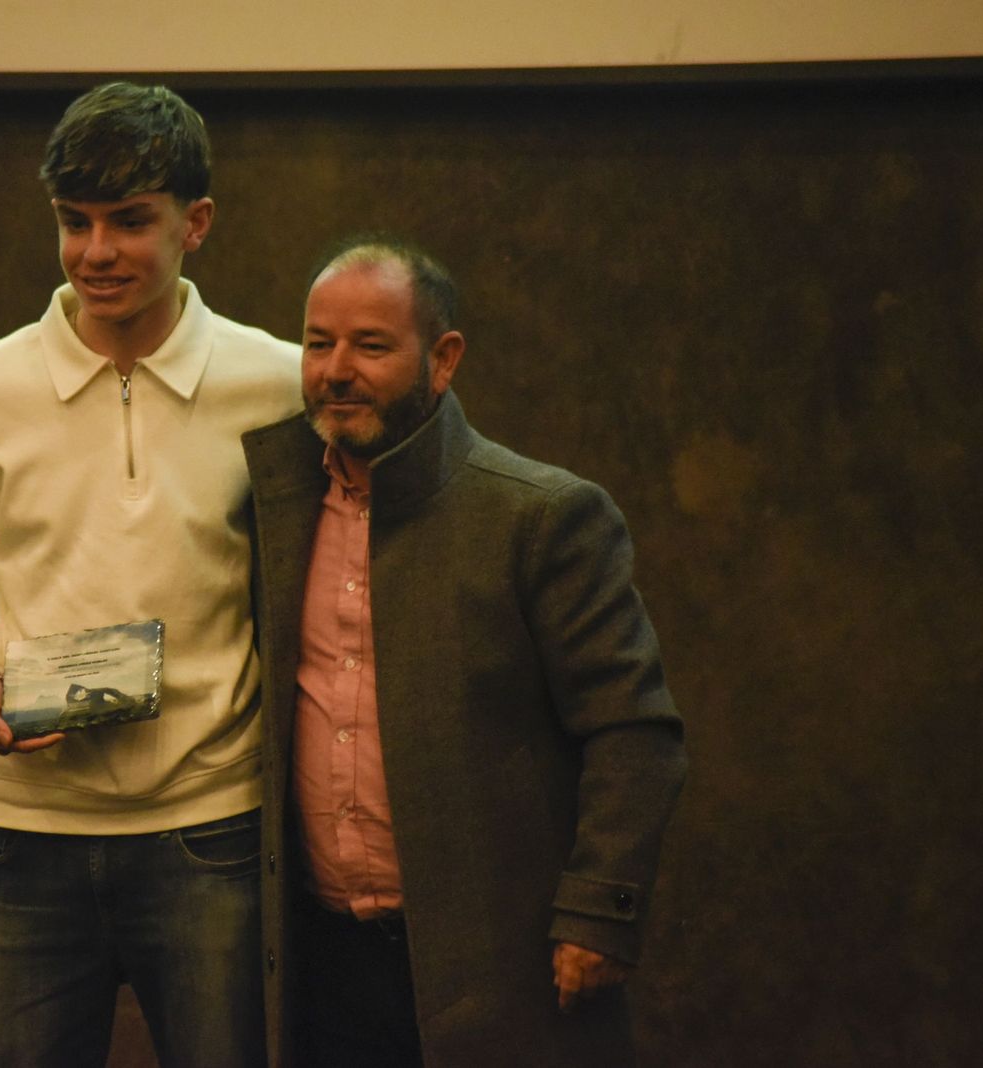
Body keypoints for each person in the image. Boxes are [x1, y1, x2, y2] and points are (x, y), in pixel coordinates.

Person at [0, 82, 300, 1068]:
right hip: (31, 836)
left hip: (213, 830)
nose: (96, 251)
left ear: (195, 223)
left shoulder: (278, 383)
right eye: (74, 222)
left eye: (129, 221)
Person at [241, 239, 688, 1067]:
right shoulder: (273, 506)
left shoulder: (542, 516)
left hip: (493, 965)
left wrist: (599, 913)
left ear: (442, 360)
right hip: (319, 965)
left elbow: (634, 732)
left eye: (371, 346)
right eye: (317, 344)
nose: (336, 370)